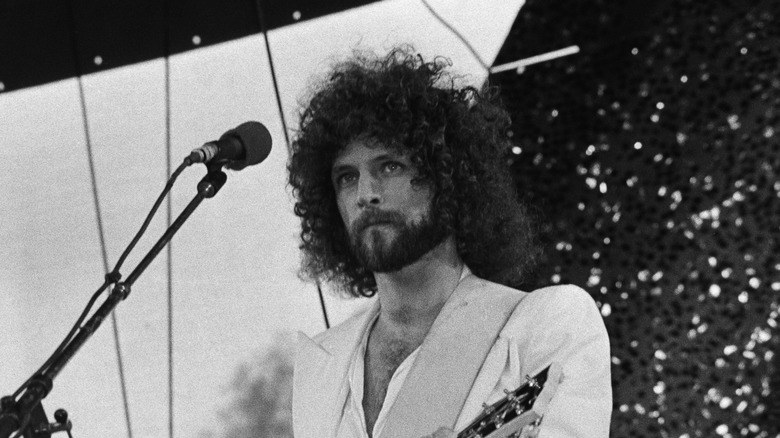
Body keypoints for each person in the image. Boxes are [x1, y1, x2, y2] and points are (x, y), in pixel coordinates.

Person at [287, 47, 612, 438]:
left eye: (390, 166)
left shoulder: (548, 323)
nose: (365, 193)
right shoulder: (321, 363)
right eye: (346, 177)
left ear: (449, 179)